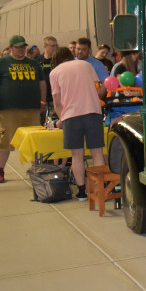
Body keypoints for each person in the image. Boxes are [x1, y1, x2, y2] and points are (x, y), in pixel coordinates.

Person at [0, 35, 46, 183]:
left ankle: (36, 170)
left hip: (32, 109)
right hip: (8, 109)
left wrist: (43, 101)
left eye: (23, 47)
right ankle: (0, 170)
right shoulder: (0, 63)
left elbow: (42, 82)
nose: (21, 49)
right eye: (18, 47)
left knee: (33, 141)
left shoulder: (33, 63)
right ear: (11, 48)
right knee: (5, 141)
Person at [49, 47, 105, 201]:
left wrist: (62, 119)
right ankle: (99, 189)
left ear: (55, 60)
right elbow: (98, 89)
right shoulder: (85, 65)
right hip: (93, 111)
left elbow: (57, 102)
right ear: (70, 55)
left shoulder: (54, 73)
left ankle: (81, 191)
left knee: (77, 155)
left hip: (71, 116)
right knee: (97, 153)